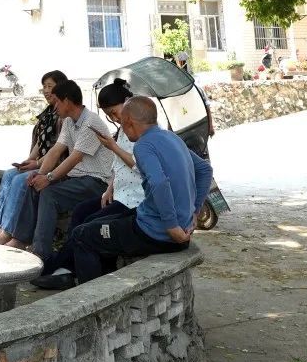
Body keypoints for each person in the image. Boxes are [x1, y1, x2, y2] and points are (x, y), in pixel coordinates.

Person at [62, 95, 214, 286]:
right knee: (97, 224)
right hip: (173, 224)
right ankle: (110, 283)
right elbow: (205, 169)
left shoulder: (143, 146)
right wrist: (194, 212)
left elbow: (159, 182)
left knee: (82, 235)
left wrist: (171, 227)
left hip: (156, 233)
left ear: (129, 122)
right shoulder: (172, 138)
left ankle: (93, 298)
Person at [31, 78, 144, 288]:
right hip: (113, 191)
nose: (114, 119)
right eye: (110, 115)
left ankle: (50, 263)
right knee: (78, 212)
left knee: (83, 224)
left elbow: (138, 165)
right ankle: (62, 268)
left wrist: (48, 178)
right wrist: (40, 174)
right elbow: (118, 166)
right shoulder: (120, 130)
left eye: (114, 112)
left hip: (116, 191)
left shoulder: (101, 124)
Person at [25, 79, 115, 261]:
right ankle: (23, 240)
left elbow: (75, 158)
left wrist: (48, 178)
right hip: (78, 179)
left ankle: (40, 254)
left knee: (49, 194)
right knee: (34, 186)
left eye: (57, 101)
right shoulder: (68, 121)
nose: (54, 106)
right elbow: (56, 150)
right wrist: (40, 175)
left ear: (66, 101)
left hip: (97, 182)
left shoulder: (91, 122)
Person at [0, 69, 67, 245]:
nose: (46, 91)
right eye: (44, 86)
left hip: (57, 166)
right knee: (10, 174)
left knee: (20, 180)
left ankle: (9, 231)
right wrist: (29, 160)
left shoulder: (63, 115)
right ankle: (0, 225)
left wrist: (36, 164)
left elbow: (57, 150)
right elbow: (40, 142)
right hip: (41, 162)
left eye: (50, 86)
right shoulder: (48, 113)